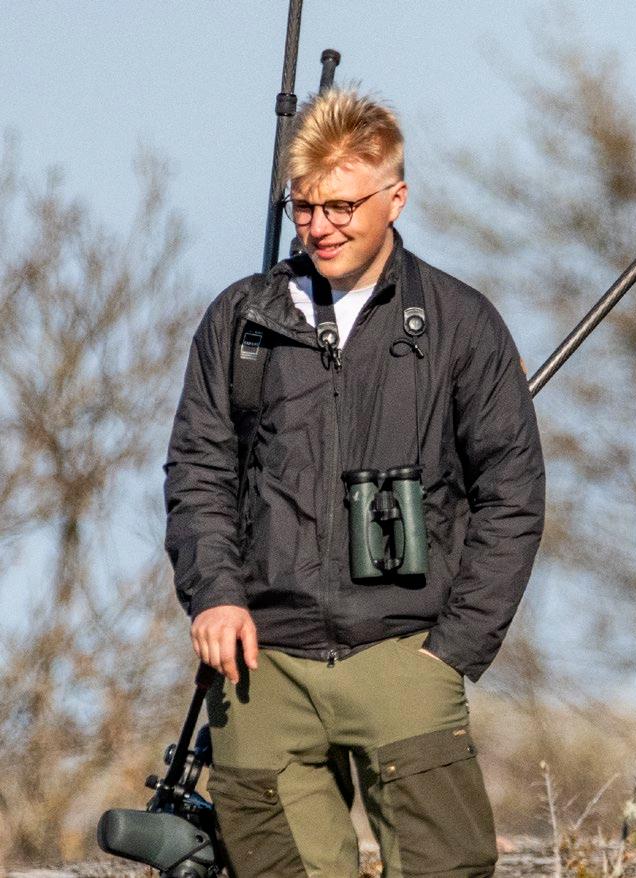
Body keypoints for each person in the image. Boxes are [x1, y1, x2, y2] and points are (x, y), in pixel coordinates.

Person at [164, 88, 545, 878]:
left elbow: (511, 492)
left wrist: (453, 648)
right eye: (303, 207)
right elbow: (198, 471)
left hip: (407, 654)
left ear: (394, 198)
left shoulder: (459, 322)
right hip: (260, 668)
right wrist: (216, 596)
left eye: (341, 206)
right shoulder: (240, 320)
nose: (321, 226)